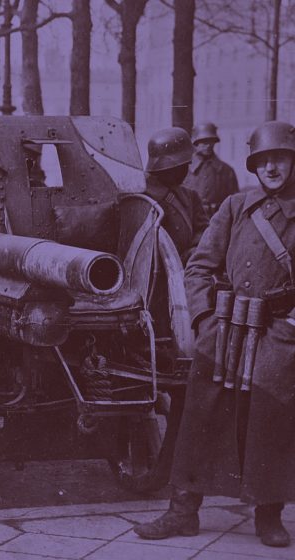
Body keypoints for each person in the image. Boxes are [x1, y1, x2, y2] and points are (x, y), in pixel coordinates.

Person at [134, 121, 295, 548]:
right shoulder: (235, 206)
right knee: (200, 413)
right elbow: (200, 265)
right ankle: (182, 511)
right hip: (224, 327)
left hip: (280, 332)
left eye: (279, 158)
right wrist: (204, 320)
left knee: (270, 417)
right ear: (254, 165)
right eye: (263, 160)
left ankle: (268, 513)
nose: (272, 167)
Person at [143, 127, 209, 263]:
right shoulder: (140, 196)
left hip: (183, 273)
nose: (187, 169)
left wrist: (193, 252)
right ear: (172, 166)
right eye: (185, 165)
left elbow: (204, 232)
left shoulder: (190, 197)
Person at [184, 122, 240, 216]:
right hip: (191, 220)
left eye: (211, 141)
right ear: (195, 143)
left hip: (218, 220)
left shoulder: (226, 171)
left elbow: (235, 203)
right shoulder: (184, 170)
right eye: (204, 141)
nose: (208, 145)